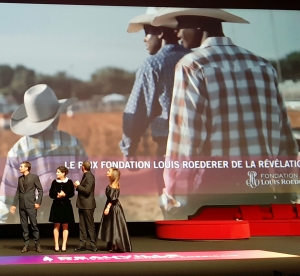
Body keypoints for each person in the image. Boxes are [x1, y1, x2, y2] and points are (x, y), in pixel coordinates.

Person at [151, 8, 300, 216]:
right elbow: (285, 138)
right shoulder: (263, 66)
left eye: (180, 25)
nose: (176, 33)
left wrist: (175, 202)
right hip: (261, 192)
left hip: (213, 197)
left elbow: (186, 144)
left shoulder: (192, 65)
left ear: (199, 24)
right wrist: (287, 192)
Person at [120, 7, 191, 219]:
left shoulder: (152, 65)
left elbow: (137, 111)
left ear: (159, 33)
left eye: (146, 33)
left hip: (168, 148)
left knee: (171, 207)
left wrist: (129, 147)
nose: (144, 40)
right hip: (207, 149)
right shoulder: (195, 58)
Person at [0, 84, 88, 224]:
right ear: (57, 117)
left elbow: (7, 194)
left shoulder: (18, 149)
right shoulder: (73, 143)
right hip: (71, 211)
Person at [9, 161, 43, 253]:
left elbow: (40, 190)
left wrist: (38, 202)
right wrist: (14, 205)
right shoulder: (20, 178)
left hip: (31, 205)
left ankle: (37, 245)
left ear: (27, 168)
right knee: (24, 227)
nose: (19, 168)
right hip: (22, 205)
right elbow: (18, 192)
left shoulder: (34, 177)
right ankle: (26, 245)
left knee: (34, 225)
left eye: (21, 167)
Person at [98, 168, 132, 253]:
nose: (107, 172)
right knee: (110, 225)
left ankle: (116, 245)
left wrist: (108, 207)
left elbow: (113, 198)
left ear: (113, 174)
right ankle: (112, 244)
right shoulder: (112, 183)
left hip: (114, 208)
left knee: (115, 226)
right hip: (111, 206)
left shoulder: (115, 184)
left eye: (109, 171)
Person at [48, 165, 75, 252]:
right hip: (57, 204)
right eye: (57, 172)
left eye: (58, 172)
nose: (57, 173)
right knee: (56, 225)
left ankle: (64, 244)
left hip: (66, 205)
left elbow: (72, 193)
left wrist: (65, 195)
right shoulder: (54, 182)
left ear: (63, 173)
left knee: (65, 226)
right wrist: (57, 195)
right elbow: (51, 194)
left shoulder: (69, 182)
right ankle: (56, 244)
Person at [73, 161, 97, 252]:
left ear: (83, 167)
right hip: (82, 204)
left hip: (88, 205)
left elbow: (87, 191)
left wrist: (78, 186)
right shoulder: (86, 175)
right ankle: (82, 244)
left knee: (90, 226)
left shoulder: (90, 176)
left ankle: (93, 245)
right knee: (82, 226)